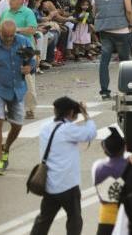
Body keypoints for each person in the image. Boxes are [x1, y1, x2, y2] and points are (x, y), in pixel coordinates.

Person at [30, 96, 98, 235]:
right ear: (71, 113)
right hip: (68, 185)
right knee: (74, 219)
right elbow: (90, 133)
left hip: (49, 184)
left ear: (55, 111)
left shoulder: (45, 127)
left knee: (43, 220)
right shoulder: (68, 129)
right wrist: (86, 114)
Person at [0, 18, 35, 174]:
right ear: (0, 32)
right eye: (5, 36)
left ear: (15, 33)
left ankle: (6, 147)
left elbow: (32, 60)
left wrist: (30, 67)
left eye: (11, 36)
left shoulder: (23, 42)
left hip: (17, 88)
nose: (9, 39)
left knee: (17, 125)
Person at [93, 0, 132, 100]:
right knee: (125, 61)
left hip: (104, 29)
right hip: (121, 28)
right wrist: (131, 23)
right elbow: (128, 9)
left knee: (104, 61)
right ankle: (128, 89)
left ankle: (104, 91)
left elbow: (95, 10)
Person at [93, 128, 132, 235]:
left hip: (106, 220)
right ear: (125, 148)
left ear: (104, 150)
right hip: (128, 219)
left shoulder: (98, 168)